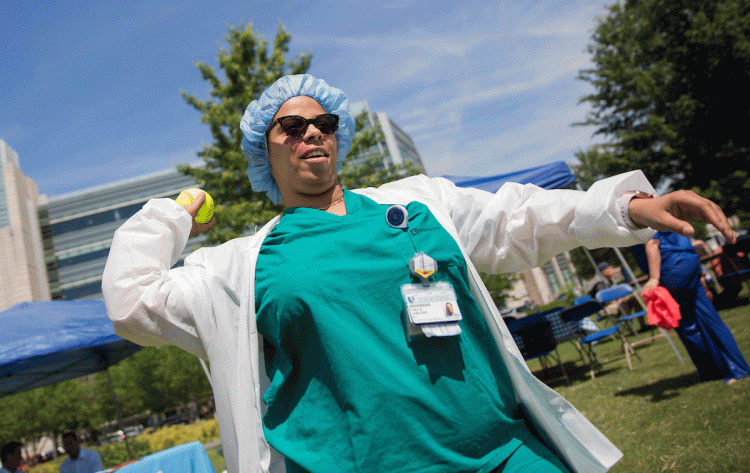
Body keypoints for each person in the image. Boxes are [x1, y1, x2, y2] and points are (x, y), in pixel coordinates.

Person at [102, 74, 738, 473]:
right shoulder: (239, 267)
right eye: (290, 127)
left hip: (507, 456)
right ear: (263, 148)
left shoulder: (418, 205)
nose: (311, 135)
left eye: (322, 123)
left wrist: (623, 206)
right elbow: (130, 300)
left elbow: (521, 219)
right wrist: (175, 212)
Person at [643, 231, 750, 384]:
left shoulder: (637, 213)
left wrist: (654, 278)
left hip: (670, 269)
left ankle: (712, 370)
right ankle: (737, 367)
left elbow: (652, 242)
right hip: (689, 264)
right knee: (709, 318)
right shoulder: (672, 213)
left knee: (686, 324)